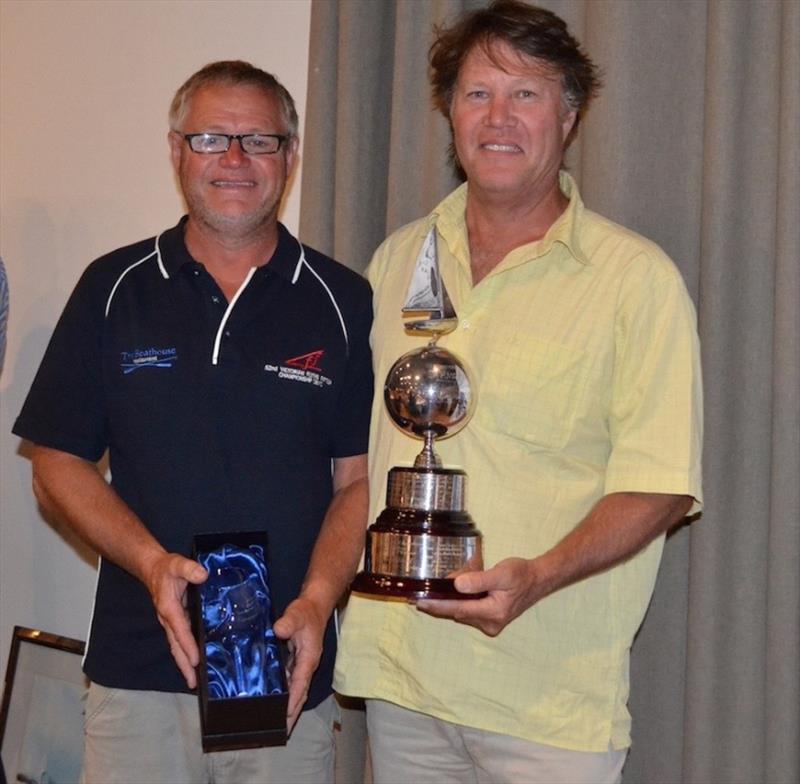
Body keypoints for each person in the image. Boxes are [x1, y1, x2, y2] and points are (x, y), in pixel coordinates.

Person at [335, 2, 702, 782]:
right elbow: (355, 465)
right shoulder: (396, 260)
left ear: (569, 117)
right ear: (449, 114)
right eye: (476, 94)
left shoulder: (636, 282)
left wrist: (537, 576)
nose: (498, 118)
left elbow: (660, 484)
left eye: (526, 94)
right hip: (403, 685)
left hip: (548, 700)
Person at [13, 61, 373, 784]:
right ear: (177, 151)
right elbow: (55, 463)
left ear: (290, 157)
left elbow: (357, 484)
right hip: (136, 670)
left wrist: (317, 602)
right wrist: (150, 565)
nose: (234, 160)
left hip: (286, 675)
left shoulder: (342, 299)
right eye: (211, 138)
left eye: (259, 140)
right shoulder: (113, 288)